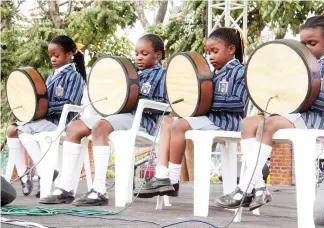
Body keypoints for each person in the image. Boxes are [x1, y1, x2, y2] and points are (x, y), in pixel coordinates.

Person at [215, 14, 324, 211]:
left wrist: (306, 91)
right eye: (303, 43)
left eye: (312, 43)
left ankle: (243, 188)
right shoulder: (295, 66)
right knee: (248, 123)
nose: (306, 48)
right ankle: (259, 187)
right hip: (291, 115)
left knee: (266, 125)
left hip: (319, 118)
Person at [40, 34, 168, 206]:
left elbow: (165, 105)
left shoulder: (162, 75)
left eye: (144, 53)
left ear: (158, 55)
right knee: (74, 127)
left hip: (142, 122)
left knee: (100, 126)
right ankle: (65, 189)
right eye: (137, 53)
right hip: (119, 116)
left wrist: (135, 98)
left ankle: (99, 190)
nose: (138, 57)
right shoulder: (131, 73)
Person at [134, 27, 248, 198]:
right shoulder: (212, 74)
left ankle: (172, 179)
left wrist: (204, 101)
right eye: (208, 52)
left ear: (231, 49)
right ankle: (162, 175)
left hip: (227, 122)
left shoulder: (240, 71)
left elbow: (239, 103)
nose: (210, 57)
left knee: (179, 125)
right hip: (211, 120)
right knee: (168, 123)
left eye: (215, 51)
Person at [6, 35, 86, 198]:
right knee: (12, 129)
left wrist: (43, 108)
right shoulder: (52, 76)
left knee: (20, 130)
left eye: (56, 55)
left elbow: (70, 103)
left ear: (70, 55)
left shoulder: (74, 76)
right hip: (47, 120)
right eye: (51, 56)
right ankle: (26, 174)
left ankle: (43, 171)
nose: (53, 59)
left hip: (62, 123)